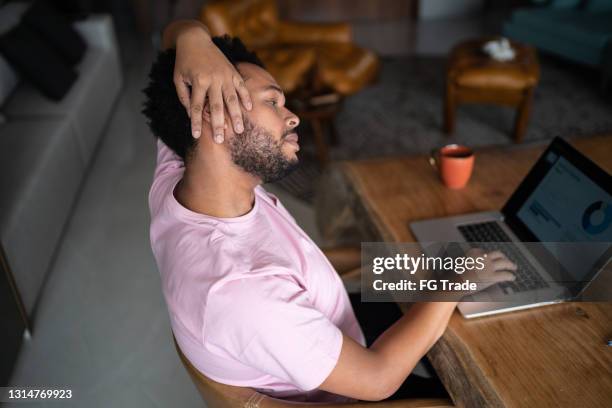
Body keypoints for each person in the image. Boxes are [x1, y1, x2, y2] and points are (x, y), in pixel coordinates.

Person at [143, 19, 517, 403]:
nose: (293, 117)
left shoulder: (179, 174)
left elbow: (175, 47)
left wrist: (190, 37)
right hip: (354, 377)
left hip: (328, 316)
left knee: (461, 285)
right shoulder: (242, 294)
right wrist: (455, 284)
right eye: (273, 102)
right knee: (504, 361)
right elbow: (377, 377)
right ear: (211, 113)